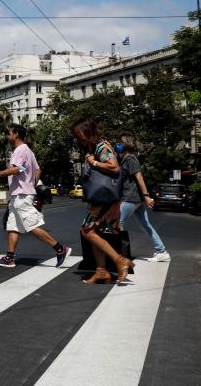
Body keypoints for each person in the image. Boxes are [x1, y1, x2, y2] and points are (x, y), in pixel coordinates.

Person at [0, 124, 72, 269]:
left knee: (31, 226)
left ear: (16, 134)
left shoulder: (19, 150)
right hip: (19, 194)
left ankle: (61, 249)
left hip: (22, 196)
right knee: (12, 226)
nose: (7, 136)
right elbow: (37, 170)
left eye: (9, 133)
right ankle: (9, 258)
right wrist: (31, 183)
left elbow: (16, 169)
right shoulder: (29, 151)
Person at [71, 119, 135, 284]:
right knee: (95, 232)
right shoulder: (94, 147)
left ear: (89, 132)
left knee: (87, 231)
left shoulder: (102, 146)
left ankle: (119, 260)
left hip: (104, 199)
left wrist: (94, 162)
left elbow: (114, 167)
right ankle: (101, 271)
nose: (79, 138)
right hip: (101, 198)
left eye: (80, 134)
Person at [117, 133, 170, 262]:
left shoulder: (130, 159)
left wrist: (146, 196)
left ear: (127, 145)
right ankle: (161, 251)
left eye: (121, 143)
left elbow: (139, 177)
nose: (118, 145)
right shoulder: (126, 159)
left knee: (116, 224)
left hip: (130, 197)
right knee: (145, 225)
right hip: (135, 199)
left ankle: (117, 255)